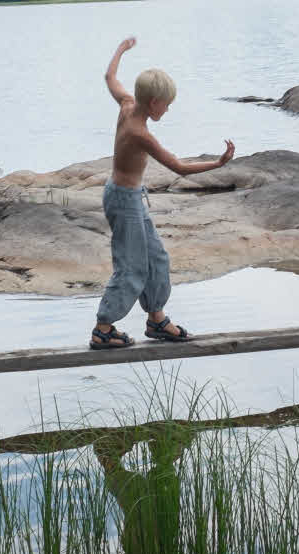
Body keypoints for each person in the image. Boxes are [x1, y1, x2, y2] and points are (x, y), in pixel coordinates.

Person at [89, 36, 235, 351]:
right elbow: (179, 168)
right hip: (122, 200)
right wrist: (219, 162)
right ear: (154, 103)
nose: (167, 110)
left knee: (157, 256)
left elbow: (109, 78)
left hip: (130, 196)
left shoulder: (128, 104)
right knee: (132, 266)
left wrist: (121, 49)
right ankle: (103, 328)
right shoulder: (140, 133)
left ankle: (156, 319)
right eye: (167, 105)